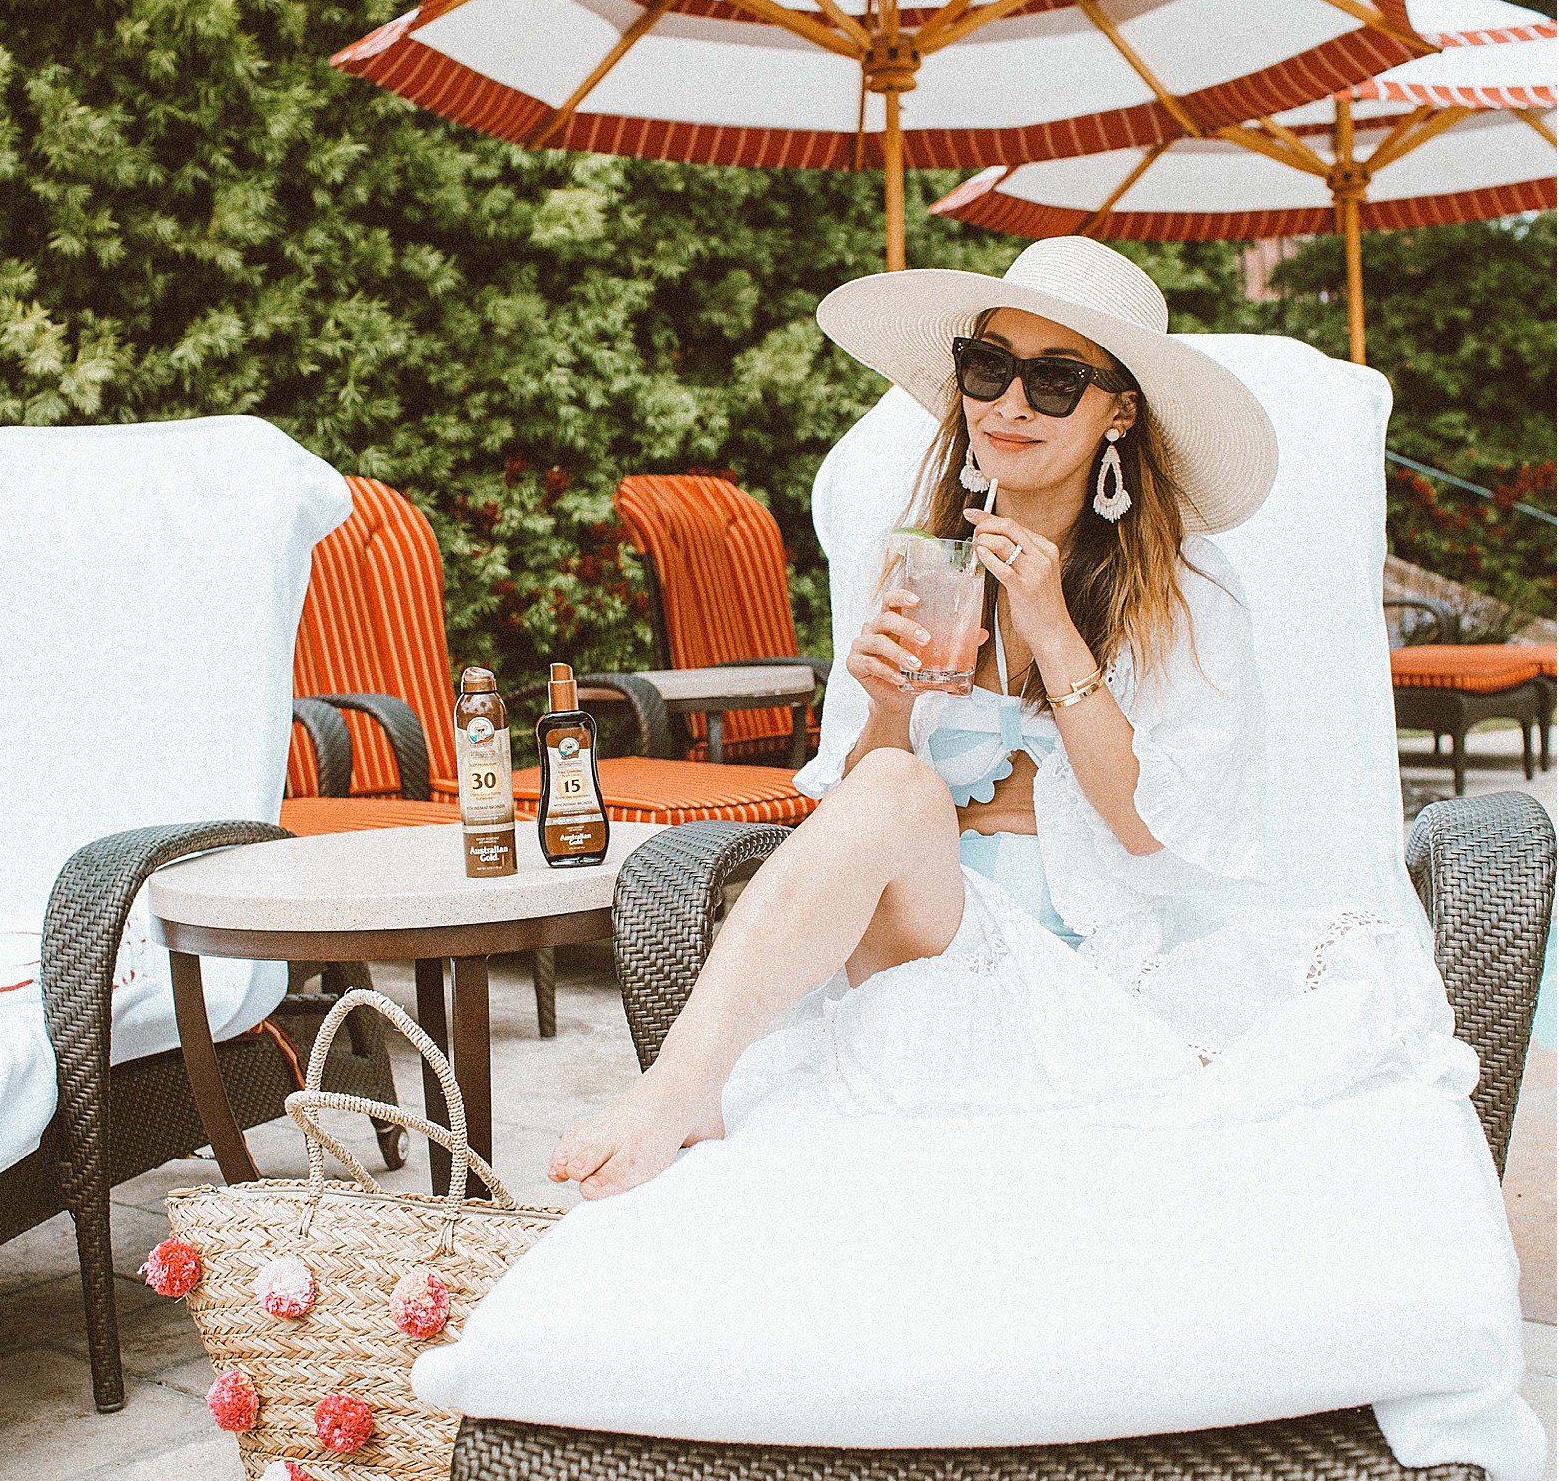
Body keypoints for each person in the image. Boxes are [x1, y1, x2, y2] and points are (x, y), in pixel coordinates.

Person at [550, 239, 1471, 1198]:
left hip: (1076, 960)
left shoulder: (1188, 596)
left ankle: (685, 1086)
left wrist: (1053, 628)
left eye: (1055, 379)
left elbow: (1145, 828)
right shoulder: (921, 566)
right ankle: (681, 1088)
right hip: (913, 930)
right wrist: (886, 708)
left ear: (1120, 410)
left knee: (901, 789)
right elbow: (864, 805)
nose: (1010, 405)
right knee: (894, 776)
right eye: (987, 369)